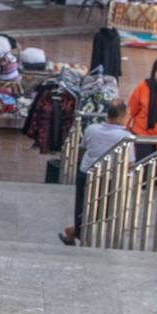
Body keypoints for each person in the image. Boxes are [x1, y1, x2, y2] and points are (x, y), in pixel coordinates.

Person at [58, 100, 134, 245]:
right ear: (121, 117)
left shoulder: (91, 129)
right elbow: (130, 162)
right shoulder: (125, 137)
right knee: (107, 209)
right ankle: (76, 232)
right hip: (109, 177)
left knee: (82, 206)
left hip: (86, 172)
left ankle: (75, 232)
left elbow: (84, 147)